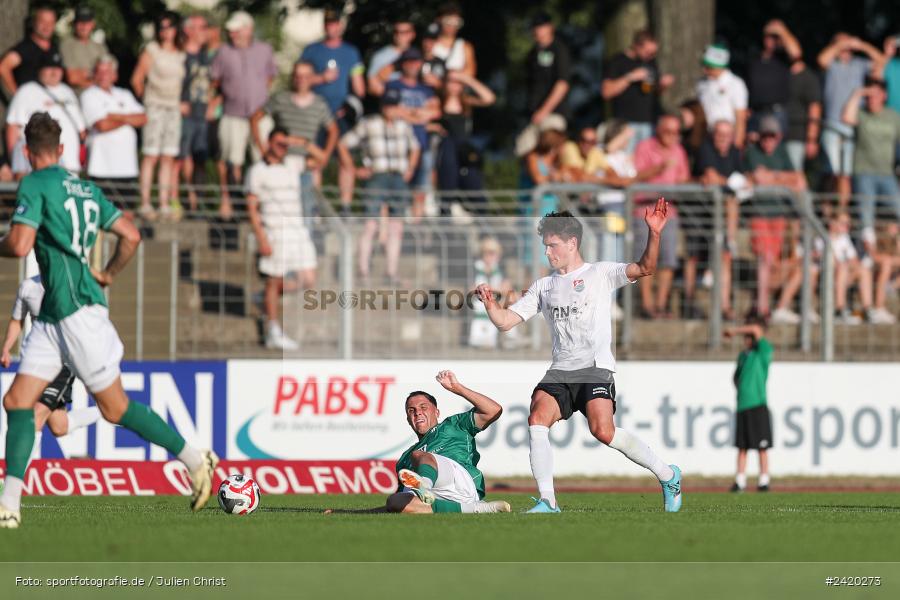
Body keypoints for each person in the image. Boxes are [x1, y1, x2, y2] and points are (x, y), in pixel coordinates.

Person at [0, 112, 217, 529]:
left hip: (75, 313)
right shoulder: (86, 188)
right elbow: (131, 235)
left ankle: (194, 458)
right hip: (54, 314)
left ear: (26, 151)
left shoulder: (34, 183)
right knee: (17, 402)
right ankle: (9, 505)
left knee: (116, 409)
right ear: (62, 149)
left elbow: (21, 244)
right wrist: (109, 273)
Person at [475, 205, 683, 513]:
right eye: (545, 246)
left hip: (594, 369)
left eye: (552, 245)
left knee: (604, 431)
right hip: (560, 370)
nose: (547, 252)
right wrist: (491, 305)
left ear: (572, 243)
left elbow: (645, 267)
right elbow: (506, 323)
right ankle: (548, 501)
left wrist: (654, 232)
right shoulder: (543, 286)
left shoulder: (600, 273)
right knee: (537, 419)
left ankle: (668, 475)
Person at [327, 370, 510, 514]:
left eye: (423, 407)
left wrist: (458, 388)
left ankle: (425, 486)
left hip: (460, 483)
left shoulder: (454, 425)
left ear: (436, 412)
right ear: (408, 419)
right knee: (395, 501)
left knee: (421, 456)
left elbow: (493, 410)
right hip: (438, 499)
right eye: (411, 410)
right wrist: (351, 513)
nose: (417, 412)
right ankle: (477, 509)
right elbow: (394, 507)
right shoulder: (404, 458)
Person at [1, 273, 101, 459]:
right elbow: (17, 320)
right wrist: (7, 348)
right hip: (36, 363)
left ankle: (15, 475)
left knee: (34, 416)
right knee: (59, 426)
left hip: (63, 362)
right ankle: (106, 410)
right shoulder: (28, 287)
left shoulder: (73, 286)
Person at [246, 128, 321, 351]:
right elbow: (252, 208)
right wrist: (262, 238)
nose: (282, 148)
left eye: (285, 144)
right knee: (273, 279)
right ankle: (272, 329)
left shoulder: (293, 164)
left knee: (308, 280)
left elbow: (322, 159)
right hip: (275, 230)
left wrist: (302, 142)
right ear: (269, 142)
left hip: (297, 230)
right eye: (279, 143)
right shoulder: (258, 170)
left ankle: (263, 297)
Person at [338, 88, 419, 283]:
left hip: (398, 177)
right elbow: (343, 144)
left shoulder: (404, 125)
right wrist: (353, 169)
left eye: (394, 105)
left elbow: (415, 147)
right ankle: (363, 272)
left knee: (396, 227)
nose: (391, 109)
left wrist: (410, 168)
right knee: (370, 225)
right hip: (377, 177)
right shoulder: (369, 123)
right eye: (388, 105)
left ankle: (391, 272)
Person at [211, 10, 277, 218]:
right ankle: (230, 202)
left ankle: (261, 206)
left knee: (262, 158)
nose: (233, 34)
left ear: (248, 30)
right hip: (232, 113)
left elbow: (270, 77)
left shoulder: (265, 50)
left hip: (260, 114)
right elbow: (215, 80)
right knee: (231, 160)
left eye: (237, 30)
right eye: (231, 31)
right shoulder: (223, 52)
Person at [251, 60, 337, 220]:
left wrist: (324, 156)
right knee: (276, 212)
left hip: (306, 165)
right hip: (280, 165)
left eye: (306, 76)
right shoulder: (280, 99)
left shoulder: (319, 104)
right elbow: (255, 118)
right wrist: (263, 150)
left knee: (307, 214)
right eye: (298, 76)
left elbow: (333, 130)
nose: (301, 80)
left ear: (312, 78)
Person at [742, 115, 807, 317]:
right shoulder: (752, 152)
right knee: (765, 258)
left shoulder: (782, 152)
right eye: (765, 136)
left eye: (772, 137)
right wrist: (782, 180)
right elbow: (758, 178)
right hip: (760, 214)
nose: (768, 141)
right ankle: (762, 306)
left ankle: (761, 303)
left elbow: (799, 181)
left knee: (775, 262)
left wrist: (773, 176)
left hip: (780, 215)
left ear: (778, 137)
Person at [632, 114, 689, 318]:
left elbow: (683, 179)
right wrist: (659, 168)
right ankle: (646, 306)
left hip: (669, 213)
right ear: (658, 130)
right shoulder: (644, 147)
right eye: (668, 131)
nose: (672, 136)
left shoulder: (679, 151)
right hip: (644, 211)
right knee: (646, 259)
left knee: (668, 260)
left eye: (676, 132)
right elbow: (635, 176)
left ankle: (661, 305)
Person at [131, 11, 186, 221]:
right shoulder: (152, 50)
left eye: (169, 27)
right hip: (155, 107)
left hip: (174, 109)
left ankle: (163, 203)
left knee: (168, 157)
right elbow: (137, 79)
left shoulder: (180, 53)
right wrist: (146, 102)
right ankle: (145, 202)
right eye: (162, 27)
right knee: (151, 155)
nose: (166, 31)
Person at [818, 33, 884, 205]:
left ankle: (842, 213)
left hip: (852, 126)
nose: (846, 47)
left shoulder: (859, 64)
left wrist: (861, 45)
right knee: (831, 172)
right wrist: (840, 44)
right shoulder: (832, 64)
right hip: (831, 125)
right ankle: (826, 212)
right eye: (841, 44)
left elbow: (881, 61)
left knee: (846, 174)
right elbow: (821, 60)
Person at [842, 78, 900, 254]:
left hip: (887, 173)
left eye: (875, 95)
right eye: (869, 96)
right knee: (866, 218)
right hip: (864, 172)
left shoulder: (893, 116)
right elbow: (846, 118)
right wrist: (858, 93)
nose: (871, 99)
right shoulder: (862, 114)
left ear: (884, 96)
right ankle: (869, 256)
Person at [6, 51, 85, 178]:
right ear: (40, 69)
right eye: (49, 67)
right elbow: (13, 127)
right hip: (34, 168)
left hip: (69, 167)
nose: (54, 72)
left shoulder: (68, 91)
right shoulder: (27, 90)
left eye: (58, 68)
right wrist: (14, 163)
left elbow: (81, 130)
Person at [694, 120, 743, 320]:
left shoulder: (735, 152)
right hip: (702, 215)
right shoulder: (705, 149)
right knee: (716, 255)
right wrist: (732, 183)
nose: (723, 139)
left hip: (722, 219)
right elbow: (710, 176)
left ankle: (725, 306)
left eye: (727, 135)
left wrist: (732, 184)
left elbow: (744, 179)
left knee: (725, 257)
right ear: (713, 135)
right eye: (719, 134)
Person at [386, 48, 441, 219]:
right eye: (409, 61)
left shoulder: (426, 88)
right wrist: (418, 115)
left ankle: (417, 223)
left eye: (416, 61)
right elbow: (391, 111)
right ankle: (396, 220)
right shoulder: (393, 85)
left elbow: (435, 111)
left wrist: (407, 113)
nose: (413, 65)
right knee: (397, 186)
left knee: (421, 187)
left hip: (422, 143)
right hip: (399, 145)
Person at [602, 30, 674, 152]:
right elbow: (606, 92)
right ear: (636, 46)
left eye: (654, 53)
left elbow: (653, 92)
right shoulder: (617, 61)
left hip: (649, 123)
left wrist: (662, 86)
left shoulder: (651, 62)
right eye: (648, 52)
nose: (651, 56)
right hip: (626, 124)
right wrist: (630, 77)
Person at [723, 317, 773, 493]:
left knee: (762, 447)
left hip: (758, 405)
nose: (746, 339)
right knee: (742, 447)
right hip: (742, 406)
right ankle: (740, 481)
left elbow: (756, 329)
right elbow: (736, 377)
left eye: (748, 336)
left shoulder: (763, 351)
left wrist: (734, 331)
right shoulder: (743, 356)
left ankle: (764, 480)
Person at [174, 14, 217, 213]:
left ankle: (196, 203)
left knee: (200, 158)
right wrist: (177, 102)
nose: (205, 31)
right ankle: (176, 200)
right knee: (181, 158)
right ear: (188, 30)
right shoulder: (180, 54)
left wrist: (214, 102)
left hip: (203, 113)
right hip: (185, 113)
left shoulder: (208, 56)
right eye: (202, 27)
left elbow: (216, 82)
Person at [80, 56, 146, 186]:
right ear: (94, 75)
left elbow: (143, 118)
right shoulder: (89, 95)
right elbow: (102, 125)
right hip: (100, 167)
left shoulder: (125, 94)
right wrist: (128, 118)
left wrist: (115, 116)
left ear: (115, 75)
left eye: (107, 71)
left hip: (127, 167)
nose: (103, 75)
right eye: (99, 71)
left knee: (127, 199)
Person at [434, 69, 494, 213]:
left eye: (458, 82)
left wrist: (467, 79)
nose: (455, 85)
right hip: (447, 150)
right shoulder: (437, 102)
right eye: (451, 81)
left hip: (464, 150)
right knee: (448, 184)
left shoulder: (465, 101)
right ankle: (446, 217)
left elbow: (489, 98)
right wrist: (433, 127)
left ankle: (482, 222)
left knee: (474, 185)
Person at [300, 9, 365, 126]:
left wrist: (350, 107)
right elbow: (298, 80)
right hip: (314, 112)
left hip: (341, 114)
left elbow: (359, 89)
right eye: (328, 23)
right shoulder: (311, 50)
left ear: (341, 25)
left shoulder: (351, 52)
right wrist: (322, 78)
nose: (331, 27)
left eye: (334, 24)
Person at [746, 20, 801, 136]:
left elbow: (796, 53)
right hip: (755, 112)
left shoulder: (782, 57)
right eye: (769, 36)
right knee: (752, 145)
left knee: (776, 145)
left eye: (775, 37)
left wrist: (781, 31)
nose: (771, 40)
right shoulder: (754, 56)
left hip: (777, 113)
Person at [828, 211, 878, 324]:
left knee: (864, 270)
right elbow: (832, 263)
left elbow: (854, 261)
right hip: (829, 276)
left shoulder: (844, 238)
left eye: (848, 223)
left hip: (844, 275)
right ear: (833, 223)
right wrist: (847, 266)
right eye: (843, 223)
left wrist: (851, 269)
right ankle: (839, 310)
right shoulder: (824, 238)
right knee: (842, 269)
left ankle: (867, 309)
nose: (847, 226)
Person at [696, 44, 748, 149]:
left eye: (709, 67)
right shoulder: (701, 83)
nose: (705, 70)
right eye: (704, 66)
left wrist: (737, 144)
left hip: (726, 139)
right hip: (706, 137)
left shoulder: (736, 83)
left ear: (720, 67)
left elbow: (740, 117)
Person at [525, 12, 572, 127]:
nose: (538, 31)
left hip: (553, 113)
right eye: (536, 27)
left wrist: (544, 111)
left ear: (551, 27)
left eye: (541, 27)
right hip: (533, 114)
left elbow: (562, 84)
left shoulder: (559, 50)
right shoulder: (533, 53)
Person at [469, 237, 515, 349]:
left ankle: (510, 337)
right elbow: (471, 289)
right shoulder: (475, 269)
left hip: (496, 300)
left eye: (493, 253)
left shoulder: (500, 269)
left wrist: (491, 290)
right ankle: (485, 338)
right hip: (480, 302)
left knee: (510, 300)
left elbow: (507, 287)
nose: (490, 256)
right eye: (487, 253)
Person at [0, 5, 58, 93]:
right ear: (34, 22)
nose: (47, 26)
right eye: (42, 21)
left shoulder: (54, 47)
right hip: (31, 98)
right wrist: (18, 95)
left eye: (50, 22)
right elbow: (3, 67)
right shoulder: (26, 48)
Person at [784, 58, 822, 172]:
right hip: (777, 134)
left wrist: (811, 139)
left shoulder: (809, 78)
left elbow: (815, 109)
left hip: (797, 135)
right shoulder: (781, 72)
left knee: (794, 173)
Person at [59, 5, 109, 94]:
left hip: (101, 94)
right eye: (80, 22)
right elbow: (73, 78)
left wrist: (85, 74)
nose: (84, 26)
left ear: (92, 24)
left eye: (87, 22)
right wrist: (97, 76)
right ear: (74, 24)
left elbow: (110, 75)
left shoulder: (100, 47)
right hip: (79, 94)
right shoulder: (66, 45)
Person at [367, 18, 416, 96]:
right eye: (396, 32)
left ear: (413, 34)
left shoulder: (419, 55)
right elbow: (371, 87)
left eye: (404, 32)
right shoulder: (380, 56)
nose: (399, 35)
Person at [432, 3, 476, 77]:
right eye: (448, 21)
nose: (452, 26)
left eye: (456, 22)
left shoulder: (465, 47)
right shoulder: (429, 43)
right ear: (439, 20)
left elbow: (470, 72)